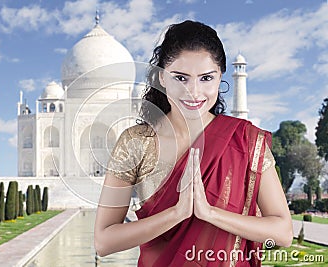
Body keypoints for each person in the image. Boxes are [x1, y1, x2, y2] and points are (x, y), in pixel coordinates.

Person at [94, 20, 293, 266]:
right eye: (180, 78)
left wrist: (209, 213)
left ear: (220, 78)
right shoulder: (136, 143)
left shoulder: (245, 141)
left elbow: (283, 233)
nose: (194, 91)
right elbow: (104, 242)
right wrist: (176, 213)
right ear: (161, 78)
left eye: (206, 78)